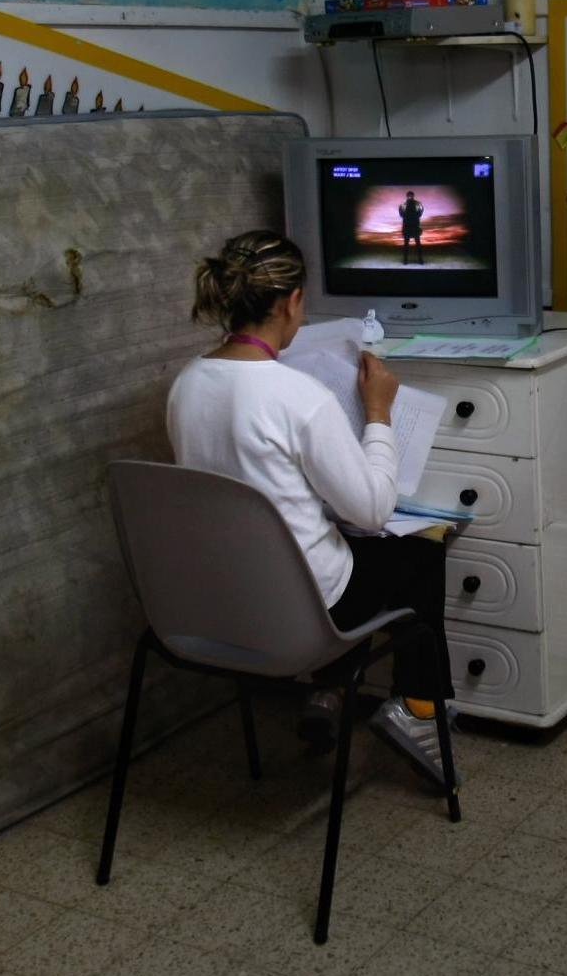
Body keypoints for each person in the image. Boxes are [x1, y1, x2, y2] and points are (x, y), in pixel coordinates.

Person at [165, 229, 458, 788]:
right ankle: (421, 715)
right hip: (302, 611)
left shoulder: (188, 383)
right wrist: (378, 411)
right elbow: (373, 510)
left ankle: (329, 691)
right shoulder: (296, 397)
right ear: (292, 302)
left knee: (337, 548)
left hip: (217, 602)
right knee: (419, 554)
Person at [398, 190, 425, 264]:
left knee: (418, 244)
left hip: (415, 226)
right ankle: (405, 260)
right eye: (409, 195)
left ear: (413, 196)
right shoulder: (403, 204)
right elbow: (401, 214)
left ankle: (420, 260)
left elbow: (421, 212)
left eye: (411, 195)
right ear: (407, 196)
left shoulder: (418, 204)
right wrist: (406, 217)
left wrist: (416, 217)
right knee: (406, 244)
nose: (410, 196)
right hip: (407, 226)